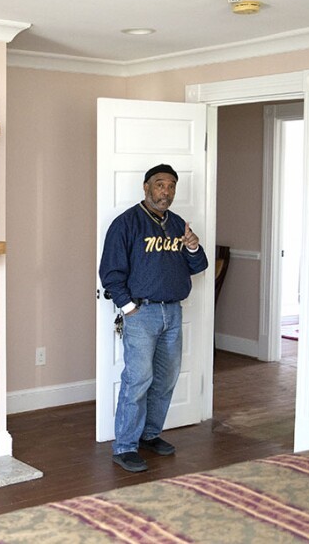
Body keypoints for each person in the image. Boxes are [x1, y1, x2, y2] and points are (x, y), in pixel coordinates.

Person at [98, 163, 208, 472]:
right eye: (160, 185)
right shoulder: (127, 223)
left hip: (172, 311)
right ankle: (125, 446)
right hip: (142, 313)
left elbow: (198, 267)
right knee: (138, 379)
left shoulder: (177, 225)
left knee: (165, 379)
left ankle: (150, 434)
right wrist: (129, 308)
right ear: (146, 188)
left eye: (172, 186)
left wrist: (193, 245)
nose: (167, 192)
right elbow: (110, 272)